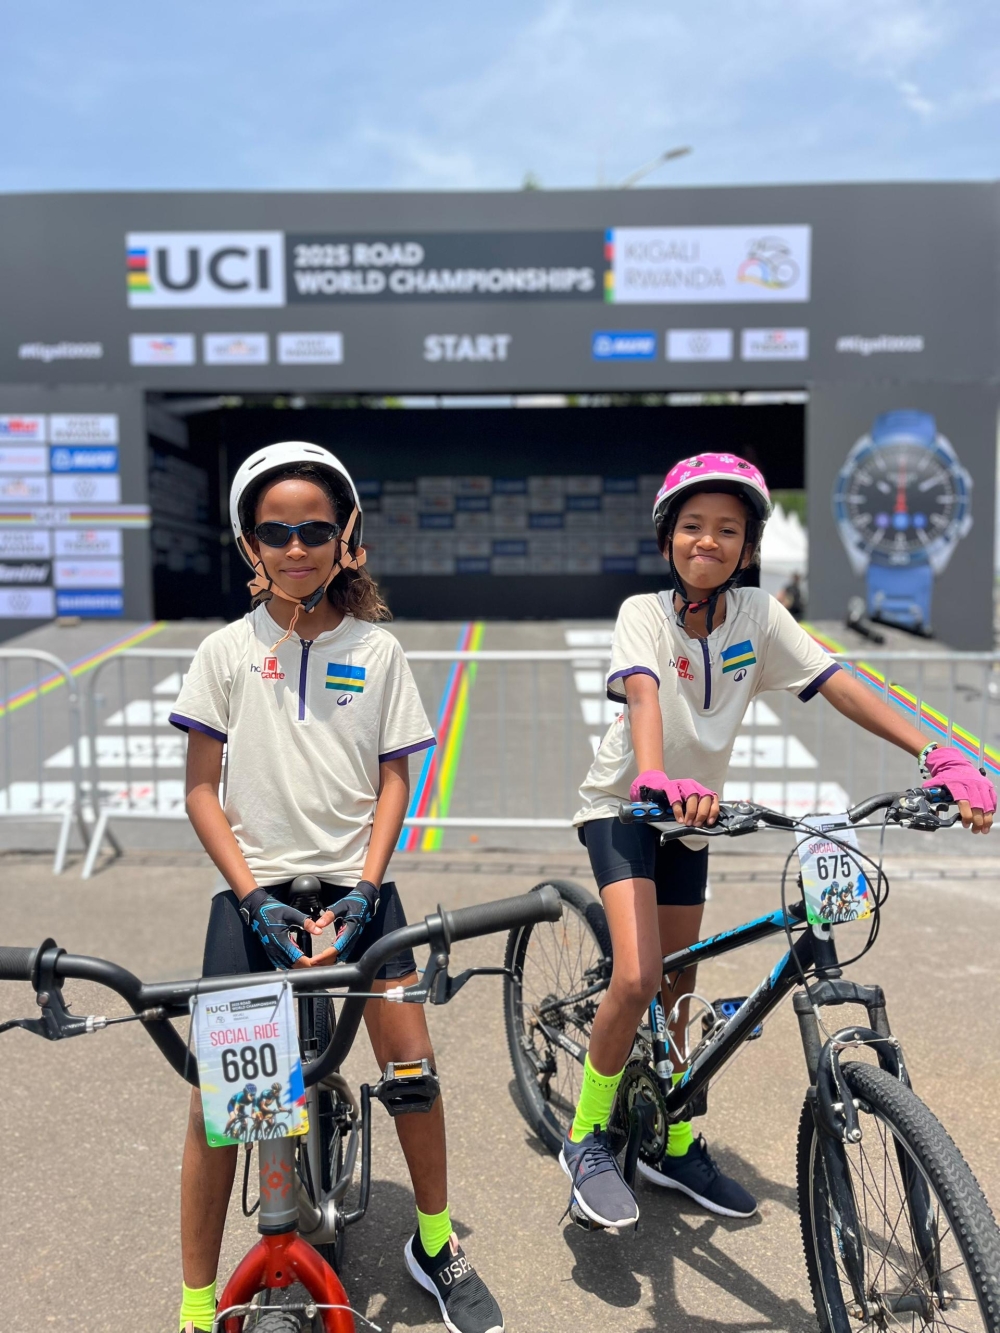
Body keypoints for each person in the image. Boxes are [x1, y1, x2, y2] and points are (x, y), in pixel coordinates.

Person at [561, 451, 996, 1231]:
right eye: (693, 526)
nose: (709, 541)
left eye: (728, 530)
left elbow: (840, 682)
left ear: (748, 548)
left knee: (679, 988)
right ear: (669, 539)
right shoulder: (643, 615)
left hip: (696, 818)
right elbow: (644, 695)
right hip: (628, 809)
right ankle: (588, 1133)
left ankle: (676, 1138)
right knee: (637, 976)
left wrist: (937, 751)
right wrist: (654, 776)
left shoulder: (759, 617)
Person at [169, 441, 503, 1333]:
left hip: (360, 897)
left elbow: (398, 779)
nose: (296, 546)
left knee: (412, 1073)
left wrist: (366, 886)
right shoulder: (224, 652)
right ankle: (199, 1302)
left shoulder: (379, 649)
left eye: (315, 528)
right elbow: (202, 789)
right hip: (257, 898)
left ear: (345, 535)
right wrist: (250, 897)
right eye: (275, 531)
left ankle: (434, 1244)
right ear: (251, 545)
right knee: (217, 1107)